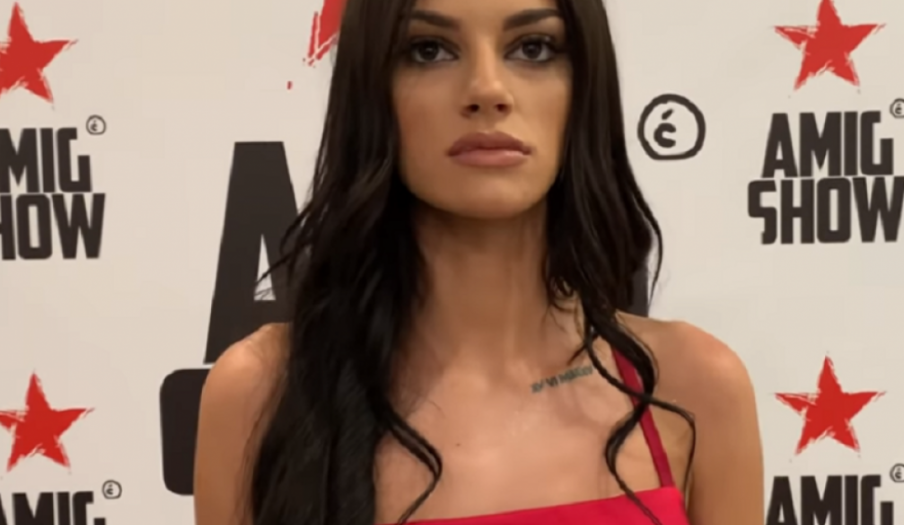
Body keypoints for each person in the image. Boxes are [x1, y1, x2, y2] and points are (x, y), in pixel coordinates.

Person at [193, 0, 764, 523]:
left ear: (585, 85)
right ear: (370, 89)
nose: (487, 89)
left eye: (533, 48)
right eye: (428, 50)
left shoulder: (695, 389)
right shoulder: (261, 394)